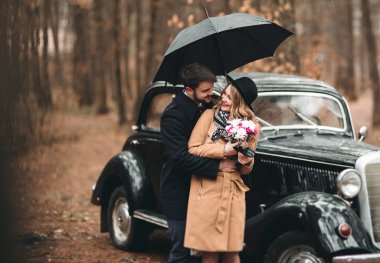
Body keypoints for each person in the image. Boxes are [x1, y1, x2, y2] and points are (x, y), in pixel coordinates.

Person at [160, 63, 237, 263]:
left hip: (206, 191)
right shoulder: (173, 115)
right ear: (188, 89)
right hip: (179, 191)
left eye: (212, 89)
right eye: (205, 91)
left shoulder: (209, 106)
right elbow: (179, 158)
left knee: (204, 248)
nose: (211, 94)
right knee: (183, 250)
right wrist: (217, 166)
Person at [184, 76, 261, 263]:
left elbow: (245, 171)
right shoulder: (209, 116)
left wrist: (246, 161)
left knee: (232, 252)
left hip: (234, 192)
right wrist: (223, 150)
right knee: (210, 251)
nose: (223, 99)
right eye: (224, 94)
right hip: (208, 188)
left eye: (229, 96)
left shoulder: (252, 126)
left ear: (240, 101)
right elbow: (193, 148)